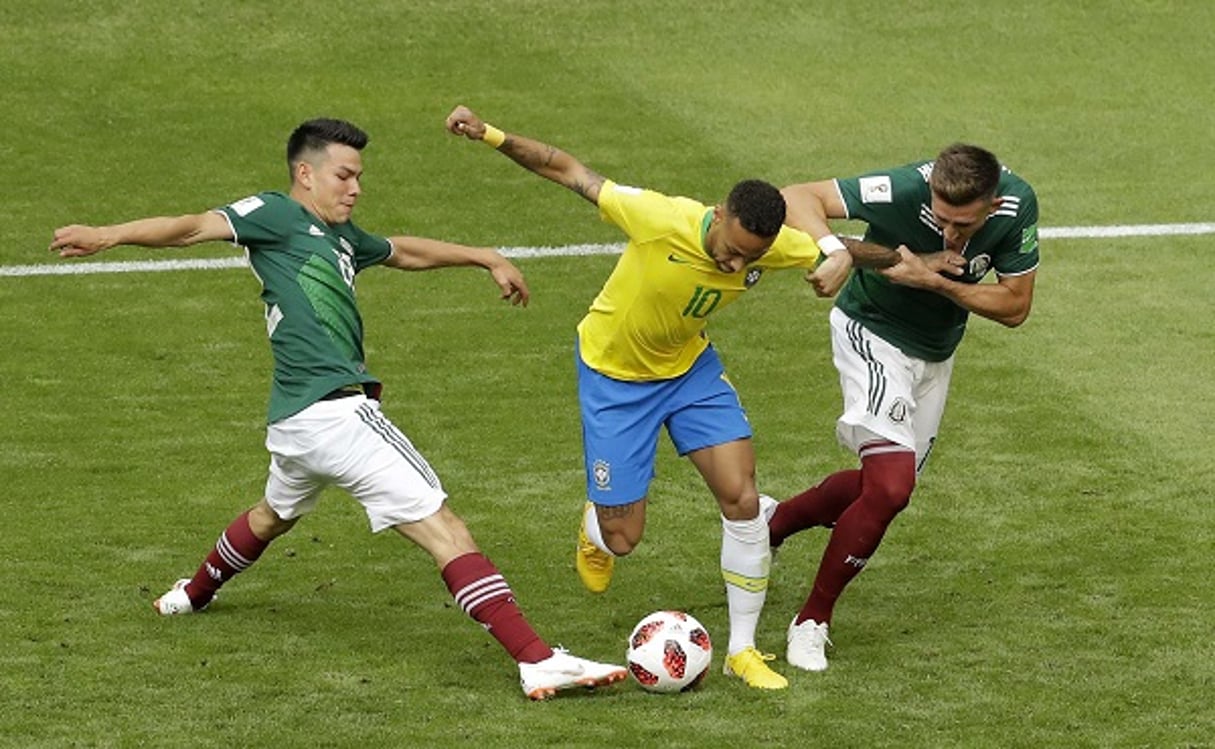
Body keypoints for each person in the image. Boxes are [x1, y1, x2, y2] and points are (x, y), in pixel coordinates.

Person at [48, 117, 627, 701]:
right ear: (306, 173)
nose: (355, 188)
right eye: (344, 175)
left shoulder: (343, 237)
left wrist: (484, 256)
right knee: (444, 528)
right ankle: (536, 659)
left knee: (272, 516)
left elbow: (405, 252)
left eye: (359, 178)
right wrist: (108, 233)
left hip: (296, 425)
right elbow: (191, 227)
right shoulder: (274, 214)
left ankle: (192, 593)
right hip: (338, 415)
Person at [445, 104, 897, 690]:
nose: (737, 264)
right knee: (624, 538)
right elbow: (566, 169)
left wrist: (878, 258)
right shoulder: (657, 217)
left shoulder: (773, 245)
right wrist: (490, 134)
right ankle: (596, 527)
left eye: (750, 259)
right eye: (731, 249)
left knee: (742, 498)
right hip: (615, 380)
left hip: (690, 372)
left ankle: (742, 649)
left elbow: (846, 251)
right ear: (719, 215)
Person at [769, 143, 1040, 672]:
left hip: (936, 355)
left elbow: (1016, 307)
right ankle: (810, 621)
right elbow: (795, 198)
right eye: (941, 220)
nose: (950, 235)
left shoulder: (1019, 204)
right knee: (892, 487)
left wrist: (933, 280)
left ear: (993, 203)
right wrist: (836, 249)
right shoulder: (904, 187)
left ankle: (771, 526)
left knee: (883, 490)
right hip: (871, 332)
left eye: (963, 225)